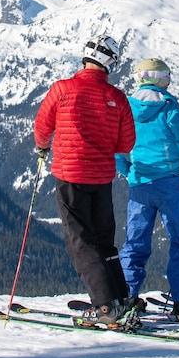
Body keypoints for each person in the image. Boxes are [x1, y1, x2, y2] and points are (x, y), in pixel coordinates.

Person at [33, 34, 138, 327]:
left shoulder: (63, 89)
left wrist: (42, 146)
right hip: (101, 177)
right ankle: (121, 297)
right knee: (104, 240)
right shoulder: (116, 97)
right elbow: (126, 143)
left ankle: (105, 306)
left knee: (81, 241)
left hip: (70, 175)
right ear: (110, 64)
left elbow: (42, 125)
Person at [116, 58, 179, 324]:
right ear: (162, 79)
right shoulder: (170, 108)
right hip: (169, 182)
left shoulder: (128, 108)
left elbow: (119, 146)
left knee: (135, 242)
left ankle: (128, 296)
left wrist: (127, 170)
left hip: (140, 183)